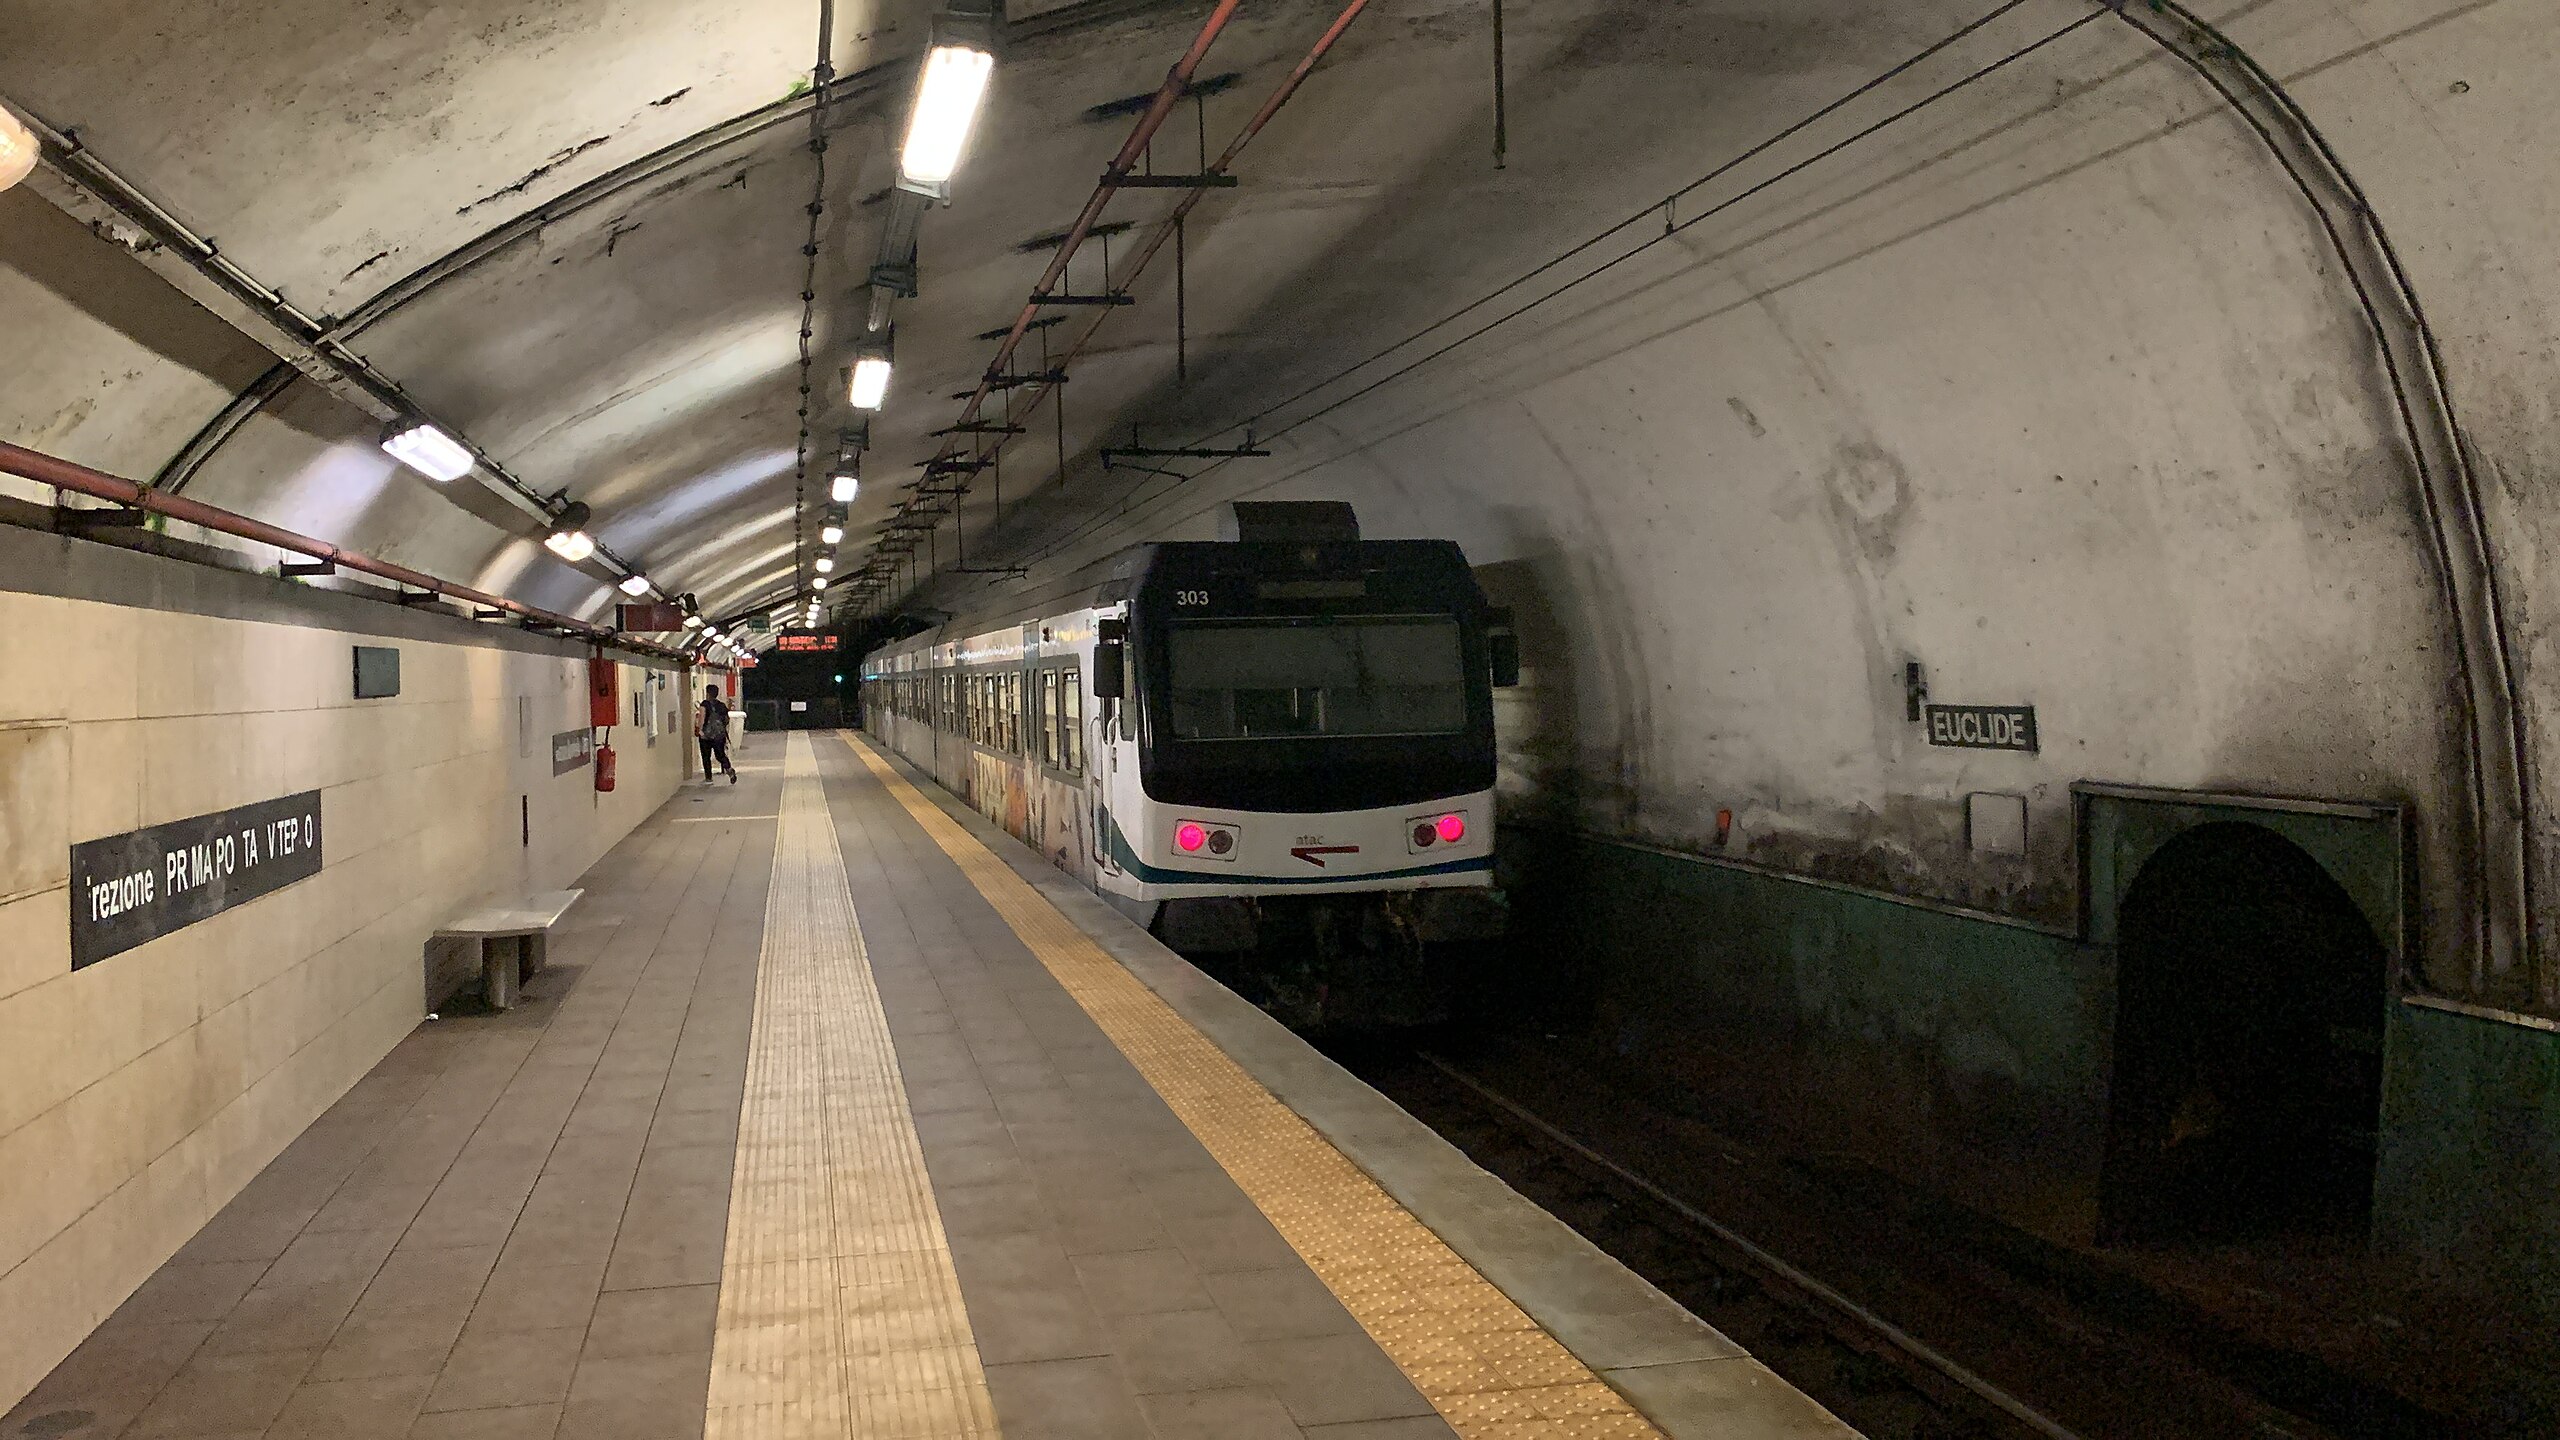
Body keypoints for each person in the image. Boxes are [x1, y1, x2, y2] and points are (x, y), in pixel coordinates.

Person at [695, 685, 738, 784]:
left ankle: (708, 778)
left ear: (708, 693)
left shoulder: (704, 704)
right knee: (720, 755)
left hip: (706, 736)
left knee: (706, 756)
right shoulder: (721, 705)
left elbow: (702, 717)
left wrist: (700, 730)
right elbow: (726, 720)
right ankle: (729, 769)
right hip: (719, 735)